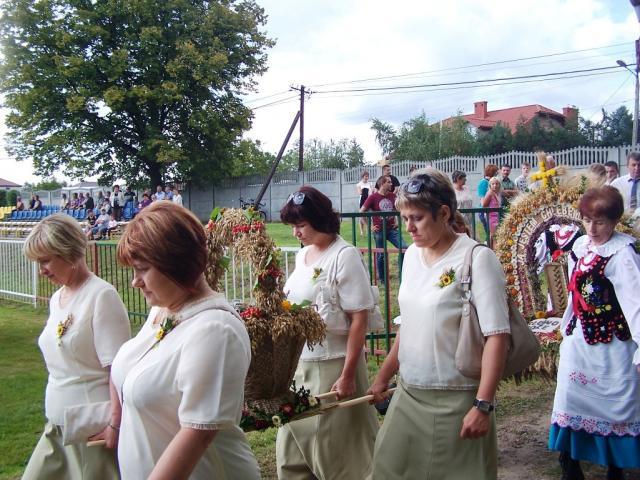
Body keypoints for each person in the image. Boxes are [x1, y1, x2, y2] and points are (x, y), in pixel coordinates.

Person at [368, 168, 510, 480]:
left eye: (417, 218)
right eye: (404, 218)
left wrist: (483, 405)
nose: (408, 227)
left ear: (444, 213)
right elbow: (408, 325)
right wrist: (383, 377)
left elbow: (497, 336)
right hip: (408, 394)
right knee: (387, 470)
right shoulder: (412, 256)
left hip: (456, 399)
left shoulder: (477, 259)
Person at [110, 201, 260, 479]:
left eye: (142, 269)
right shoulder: (162, 311)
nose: (135, 282)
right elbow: (127, 370)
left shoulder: (215, 330)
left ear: (177, 264)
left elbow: (197, 434)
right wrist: (115, 423)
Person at [277, 186, 379, 479]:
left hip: (333, 365)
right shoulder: (303, 255)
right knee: (293, 449)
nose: (296, 232)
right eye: (293, 226)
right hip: (300, 365)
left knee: (334, 452)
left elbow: (359, 319)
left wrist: (348, 375)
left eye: (301, 225)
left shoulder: (344, 256)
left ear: (320, 220)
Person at [21, 214, 130, 480]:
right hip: (57, 425)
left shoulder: (101, 295)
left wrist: (115, 424)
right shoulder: (57, 298)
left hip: (90, 428)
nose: (42, 270)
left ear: (67, 252)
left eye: (45, 260)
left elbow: (118, 369)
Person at [548, 186, 640, 480]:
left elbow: (636, 303)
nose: (592, 229)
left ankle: (616, 467)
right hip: (579, 342)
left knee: (614, 407)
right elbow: (574, 294)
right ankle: (570, 463)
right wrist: (566, 326)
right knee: (570, 399)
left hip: (612, 345)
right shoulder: (579, 248)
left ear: (614, 221)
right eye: (587, 221)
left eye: (600, 222)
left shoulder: (622, 255)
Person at [361, 175, 407, 284]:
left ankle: (402, 274)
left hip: (392, 230)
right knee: (381, 254)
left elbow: (402, 210)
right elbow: (361, 212)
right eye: (389, 182)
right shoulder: (373, 197)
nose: (391, 184)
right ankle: (382, 279)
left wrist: (398, 222)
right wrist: (369, 226)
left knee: (404, 248)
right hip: (379, 231)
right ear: (382, 184)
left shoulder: (393, 196)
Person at [477, 164, 499, 242]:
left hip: (492, 213)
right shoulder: (484, 182)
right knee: (490, 234)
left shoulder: (492, 182)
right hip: (485, 213)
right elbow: (482, 199)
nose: (497, 174)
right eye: (496, 172)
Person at [482, 177, 503, 247]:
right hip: (491, 217)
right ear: (490, 185)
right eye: (493, 184)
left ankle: (492, 249)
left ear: (499, 185)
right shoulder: (490, 193)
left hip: (497, 216)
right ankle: (494, 249)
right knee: (494, 235)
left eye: (497, 184)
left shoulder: (498, 193)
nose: (495, 185)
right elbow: (484, 205)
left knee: (494, 235)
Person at [357, 170, 373, 236]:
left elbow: (371, 192)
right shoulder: (359, 184)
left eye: (367, 176)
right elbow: (359, 193)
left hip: (369, 200)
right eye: (365, 176)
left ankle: (368, 229)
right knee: (361, 216)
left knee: (369, 215)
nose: (367, 177)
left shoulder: (370, 184)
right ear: (362, 176)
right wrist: (364, 190)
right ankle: (362, 231)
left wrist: (369, 192)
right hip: (362, 201)